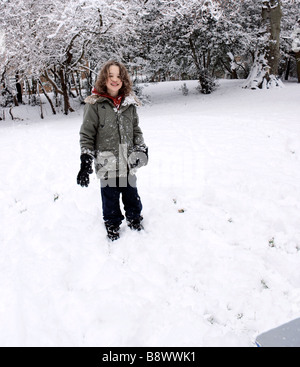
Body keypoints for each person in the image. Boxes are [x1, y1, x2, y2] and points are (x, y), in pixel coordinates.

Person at [77, 60, 148, 241]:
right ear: (104, 78)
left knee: (131, 193)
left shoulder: (129, 103)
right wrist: (85, 160)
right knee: (110, 197)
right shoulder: (94, 104)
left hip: (127, 158)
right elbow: (87, 134)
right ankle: (112, 224)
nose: (115, 80)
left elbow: (135, 129)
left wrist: (141, 148)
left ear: (123, 79)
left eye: (119, 76)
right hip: (106, 159)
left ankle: (134, 218)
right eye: (111, 76)